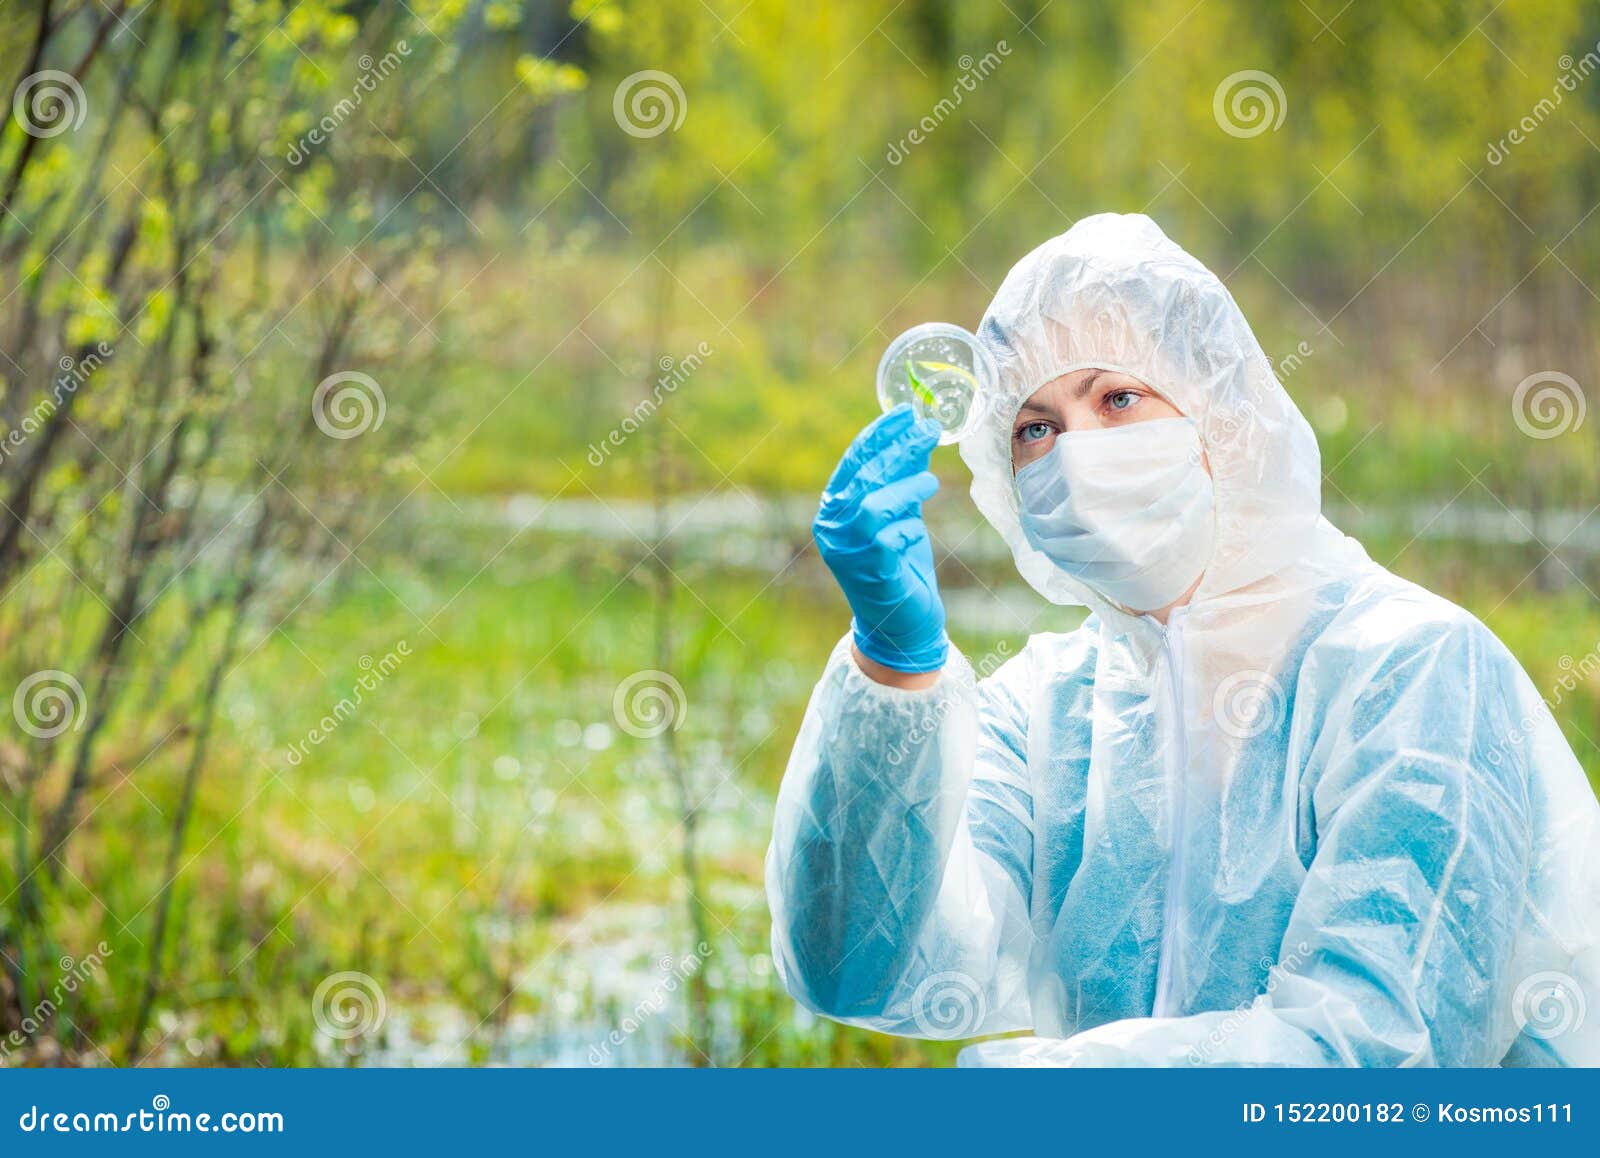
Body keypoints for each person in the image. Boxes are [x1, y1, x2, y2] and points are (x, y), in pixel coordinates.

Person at [765, 213, 1600, 1067]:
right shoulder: (1044, 710)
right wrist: (891, 672)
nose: (1076, 456)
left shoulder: (1413, 668)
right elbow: (857, 970)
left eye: (1118, 399)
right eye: (1035, 428)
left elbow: (1383, 1056)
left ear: (1221, 414)